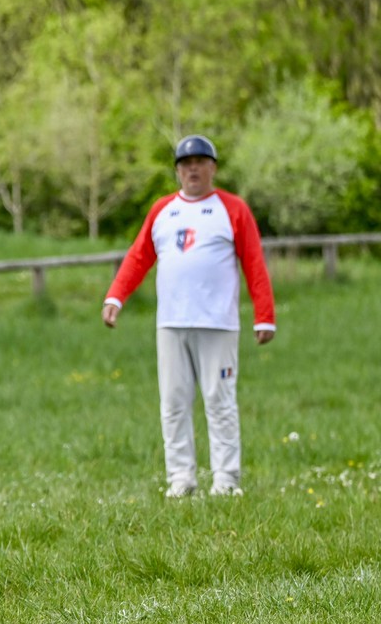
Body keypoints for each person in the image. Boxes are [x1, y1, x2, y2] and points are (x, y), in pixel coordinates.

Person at [102, 134, 276, 498]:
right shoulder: (163, 210)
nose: (193, 169)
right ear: (178, 171)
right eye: (186, 164)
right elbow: (138, 257)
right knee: (174, 402)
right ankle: (180, 478)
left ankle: (226, 480)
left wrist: (265, 316)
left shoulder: (233, 209)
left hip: (218, 323)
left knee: (219, 400)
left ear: (212, 168)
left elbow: (254, 263)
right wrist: (116, 296)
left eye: (200, 162)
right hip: (171, 323)